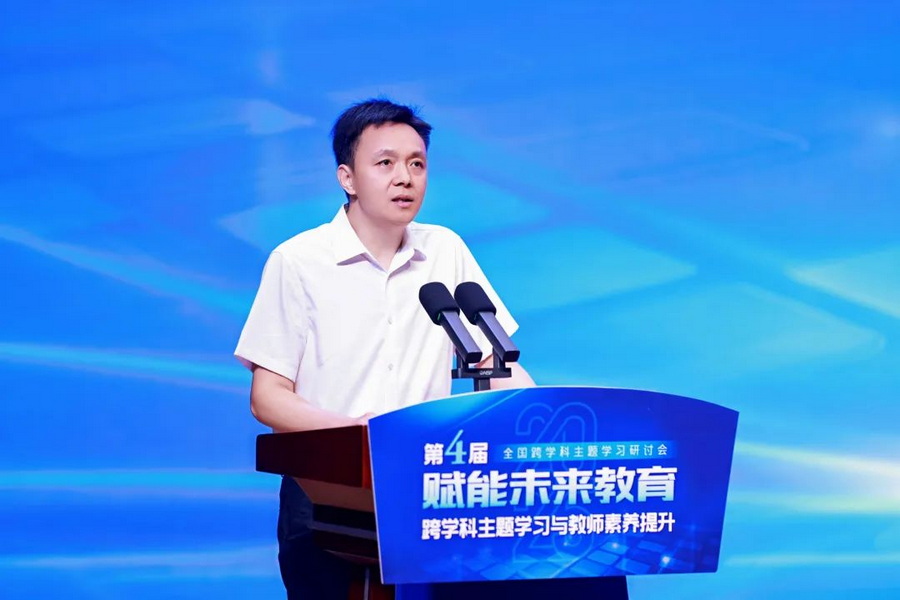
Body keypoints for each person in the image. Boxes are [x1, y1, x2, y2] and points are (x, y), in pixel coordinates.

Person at [234, 99, 534, 598]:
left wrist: (539, 424)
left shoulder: (445, 250)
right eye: (385, 163)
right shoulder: (299, 261)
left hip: (427, 490)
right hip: (326, 491)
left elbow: (492, 362)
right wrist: (359, 432)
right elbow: (268, 398)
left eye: (417, 164)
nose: (405, 178)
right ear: (347, 178)